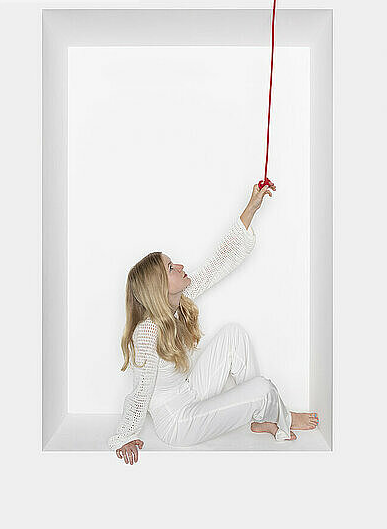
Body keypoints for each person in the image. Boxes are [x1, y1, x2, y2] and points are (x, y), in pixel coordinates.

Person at [109, 182, 319, 464]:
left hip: (188, 392)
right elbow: (140, 392)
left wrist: (251, 207)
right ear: (159, 286)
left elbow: (219, 263)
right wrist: (126, 436)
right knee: (262, 388)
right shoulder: (147, 332)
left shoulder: (177, 303)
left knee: (234, 335)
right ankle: (282, 416)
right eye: (171, 268)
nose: (180, 266)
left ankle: (261, 418)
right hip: (178, 422)